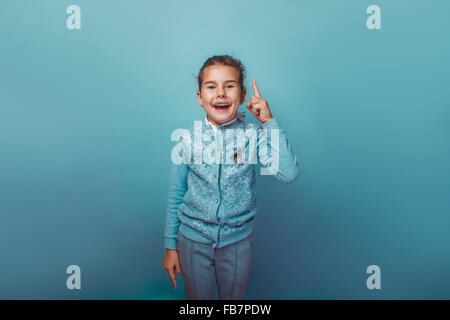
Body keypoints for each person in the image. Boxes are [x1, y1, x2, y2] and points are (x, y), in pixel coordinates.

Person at [162, 55, 299, 299]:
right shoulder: (187, 138)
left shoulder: (253, 135)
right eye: (211, 86)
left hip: (237, 242)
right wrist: (171, 246)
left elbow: (287, 173)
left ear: (243, 95)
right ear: (200, 97)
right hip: (192, 241)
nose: (221, 93)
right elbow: (176, 195)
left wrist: (268, 121)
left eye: (229, 85)